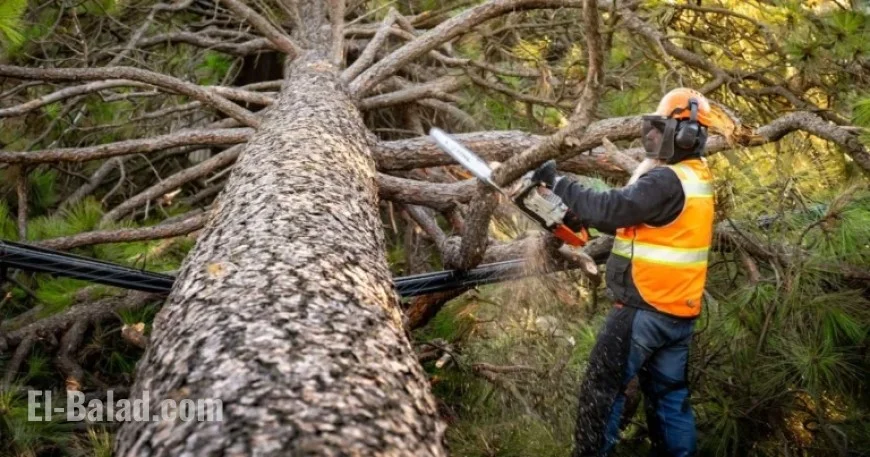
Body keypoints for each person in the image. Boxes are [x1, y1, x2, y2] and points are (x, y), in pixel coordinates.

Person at [531, 88, 717, 457]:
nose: (654, 135)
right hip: (678, 314)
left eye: (664, 127)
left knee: (601, 391)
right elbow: (641, 222)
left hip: (643, 309)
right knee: (670, 398)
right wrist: (576, 214)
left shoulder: (668, 180)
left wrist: (559, 185)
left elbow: (614, 210)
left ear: (686, 134)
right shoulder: (697, 177)